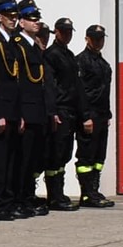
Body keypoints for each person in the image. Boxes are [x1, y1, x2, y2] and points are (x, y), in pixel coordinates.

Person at [13, 0, 57, 215]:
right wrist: (19, 113)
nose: (36, 22)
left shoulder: (33, 46)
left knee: (33, 159)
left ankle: (27, 196)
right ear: (21, 22)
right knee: (22, 159)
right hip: (26, 111)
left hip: (38, 110)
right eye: (31, 19)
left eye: (37, 19)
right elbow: (18, 82)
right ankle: (19, 198)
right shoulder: (18, 45)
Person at [0, 0, 26, 220]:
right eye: (9, 16)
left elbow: (16, 80)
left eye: (15, 16)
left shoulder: (12, 42)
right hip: (2, 110)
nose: (13, 19)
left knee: (11, 161)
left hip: (13, 110)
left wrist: (20, 114)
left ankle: (8, 203)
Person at [43, 16, 83, 211]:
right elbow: (50, 86)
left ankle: (60, 193)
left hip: (70, 110)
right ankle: (54, 195)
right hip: (60, 109)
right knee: (56, 154)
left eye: (69, 32)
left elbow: (75, 86)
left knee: (65, 153)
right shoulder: (52, 55)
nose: (67, 35)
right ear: (56, 32)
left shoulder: (68, 54)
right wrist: (53, 111)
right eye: (64, 32)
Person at [75, 24, 115, 207]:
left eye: (101, 39)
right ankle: (86, 194)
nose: (99, 42)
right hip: (89, 115)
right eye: (95, 39)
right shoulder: (81, 61)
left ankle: (94, 190)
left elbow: (105, 92)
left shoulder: (102, 63)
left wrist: (107, 115)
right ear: (87, 39)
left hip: (101, 115)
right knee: (86, 156)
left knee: (99, 156)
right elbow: (80, 93)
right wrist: (85, 117)